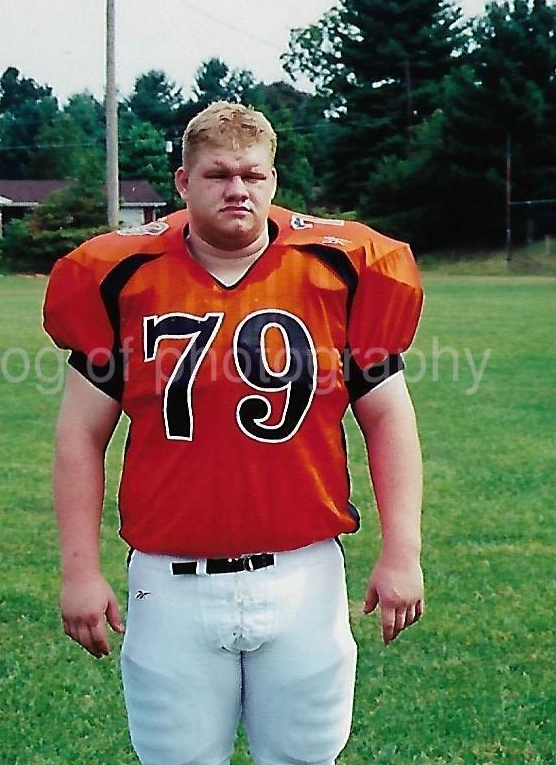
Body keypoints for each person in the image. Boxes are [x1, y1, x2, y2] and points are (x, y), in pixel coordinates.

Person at [43, 101, 425, 765]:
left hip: (304, 571)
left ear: (274, 180)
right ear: (183, 182)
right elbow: (80, 433)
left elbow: (389, 416)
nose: (237, 189)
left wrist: (403, 552)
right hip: (169, 581)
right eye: (218, 174)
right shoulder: (122, 277)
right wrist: (79, 570)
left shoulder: (340, 268)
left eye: (253, 174)